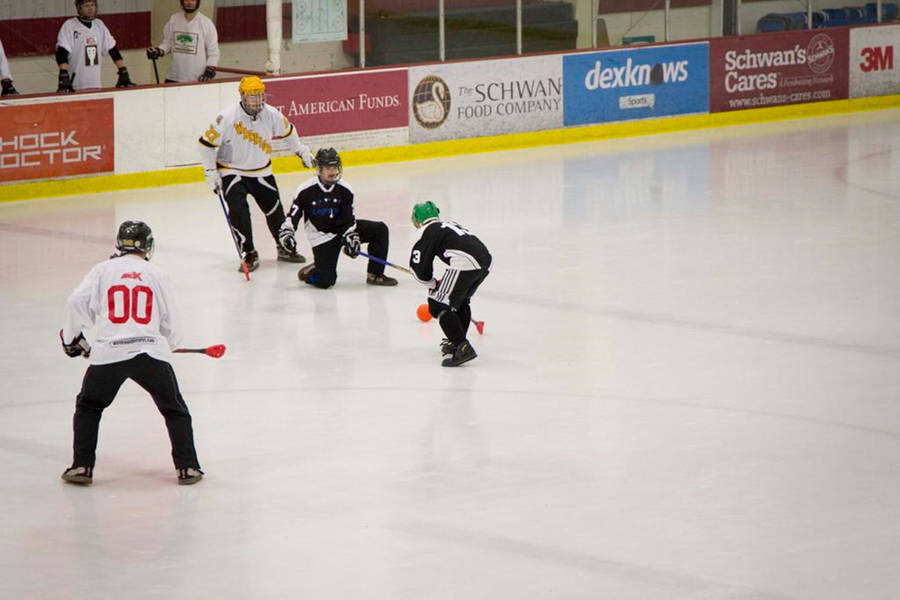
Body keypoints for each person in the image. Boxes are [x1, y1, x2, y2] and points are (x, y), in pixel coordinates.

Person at [59, 221, 203, 486]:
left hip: (109, 353)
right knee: (174, 409)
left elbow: (75, 303)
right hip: (150, 352)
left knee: (89, 406)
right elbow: (172, 325)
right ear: (147, 245)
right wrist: (166, 345)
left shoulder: (102, 271)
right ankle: (188, 468)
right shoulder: (156, 273)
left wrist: (72, 339)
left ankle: (81, 466)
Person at [198, 75, 312, 271]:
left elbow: (288, 132)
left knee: (275, 211)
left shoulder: (271, 114)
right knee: (239, 212)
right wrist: (210, 172)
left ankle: (283, 245)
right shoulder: (227, 117)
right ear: (242, 96)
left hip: (261, 170)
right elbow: (206, 144)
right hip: (231, 171)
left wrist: (301, 151)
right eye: (252, 96)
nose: (257, 101)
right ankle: (249, 252)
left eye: (260, 96)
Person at [290, 148, 398, 288]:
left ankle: (375, 274)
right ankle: (313, 271)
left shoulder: (345, 189)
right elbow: (292, 216)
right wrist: (287, 232)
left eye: (335, 167)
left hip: (342, 230)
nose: (333, 172)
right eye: (328, 167)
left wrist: (351, 236)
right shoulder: (305, 190)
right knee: (326, 281)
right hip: (321, 237)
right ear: (319, 169)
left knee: (379, 229)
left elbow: (348, 218)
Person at [409, 201, 491, 367]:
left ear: (417, 219)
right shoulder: (448, 224)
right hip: (483, 260)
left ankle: (462, 346)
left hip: (465, 263)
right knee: (460, 302)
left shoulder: (426, 231)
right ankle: (458, 342)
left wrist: (431, 283)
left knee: (437, 304)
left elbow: (418, 267)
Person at [56, 0, 135, 92]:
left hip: (95, 83)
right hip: (75, 84)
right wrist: (63, 73)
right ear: (79, 8)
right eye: (86, 6)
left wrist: (122, 70)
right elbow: (62, 51)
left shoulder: (99, 25)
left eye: (92, 5)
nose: (90, 8)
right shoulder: (70, 25)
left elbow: (112, 48)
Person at [146, 0, 219, 83]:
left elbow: (213, 52)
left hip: (196, 79)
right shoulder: (174, 19)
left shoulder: (207, 23)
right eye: (186, 0)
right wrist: (158, 51)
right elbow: (168, 43)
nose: (189, 3)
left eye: (193, 0)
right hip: (174, 76)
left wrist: (210, 69)